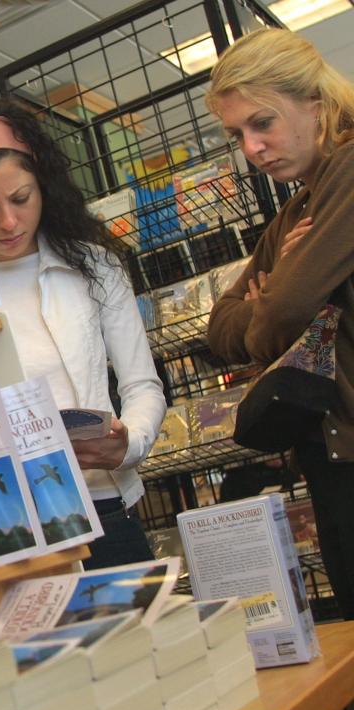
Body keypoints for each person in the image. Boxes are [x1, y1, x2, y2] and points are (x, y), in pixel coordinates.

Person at [0, 99, 167, 569]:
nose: (9, 222)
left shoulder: (94, 266)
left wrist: (127, 444)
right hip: (3, 523)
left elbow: (142, 386)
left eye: (21, 198)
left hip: (101, 509)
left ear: (44, 188)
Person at [205, 27, 354, 620]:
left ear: (314, 103)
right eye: (237, 133)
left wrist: (275, 297)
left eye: (262, 122)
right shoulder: (298, 208)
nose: (252, 147)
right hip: (332, 446)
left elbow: (286, 311)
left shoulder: (346, 170)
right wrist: (271, 301)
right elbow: (217, 331)